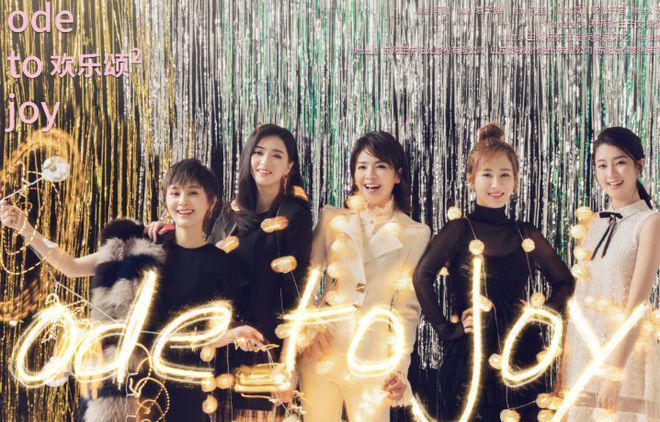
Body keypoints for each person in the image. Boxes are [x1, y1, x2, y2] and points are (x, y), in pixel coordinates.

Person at [1, 158, 261, 421]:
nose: (183, 201)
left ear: (211, 201)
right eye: (175, 193)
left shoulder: (222, 264)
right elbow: (71, 266)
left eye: (193, 193)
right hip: (127, 385)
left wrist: (233, 335)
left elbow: (201, 334)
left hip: (182, 387)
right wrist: (25, 227)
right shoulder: (142, 248)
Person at [147, 124, 313, 421]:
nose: (265, 162)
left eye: (277, 155)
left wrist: (288, 362)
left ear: (289, 166)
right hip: (221, 344)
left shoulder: (294, 215)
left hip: (263, 345)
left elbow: (297, 292)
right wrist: (171, 230)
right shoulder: (229, 214)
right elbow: (206, 259)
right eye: (259, 153)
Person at [412, 123, 575, 420]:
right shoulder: (459, 230)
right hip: (470, 352)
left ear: (515, 182)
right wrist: (447, 330)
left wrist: (539, 314)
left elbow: (565, 282)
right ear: (471, 179)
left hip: (520, 350)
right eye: (487, 174)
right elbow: (421, 276)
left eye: (505, 175)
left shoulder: (525, 233)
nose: (496, 184)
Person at [298, 131, 431, 421]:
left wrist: (399, 368)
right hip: (322, 349)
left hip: (372, 359)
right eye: (362, 166)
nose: (370, 175)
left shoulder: (415, 233)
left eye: (380, 166)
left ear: (397, 175)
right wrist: (307, 330)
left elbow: (407, 311)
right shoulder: (332, 219)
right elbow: (306, 281)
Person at [561, 127, 659, 421]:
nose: (611, 174)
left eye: (620, 162)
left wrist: (615, 373)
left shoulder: (650, 222)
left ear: (639, 165)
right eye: (602, 165)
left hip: (626, 358)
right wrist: (569, 366)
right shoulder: (592, 224)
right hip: (586, 356)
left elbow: (637, 306)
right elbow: (581, 300)